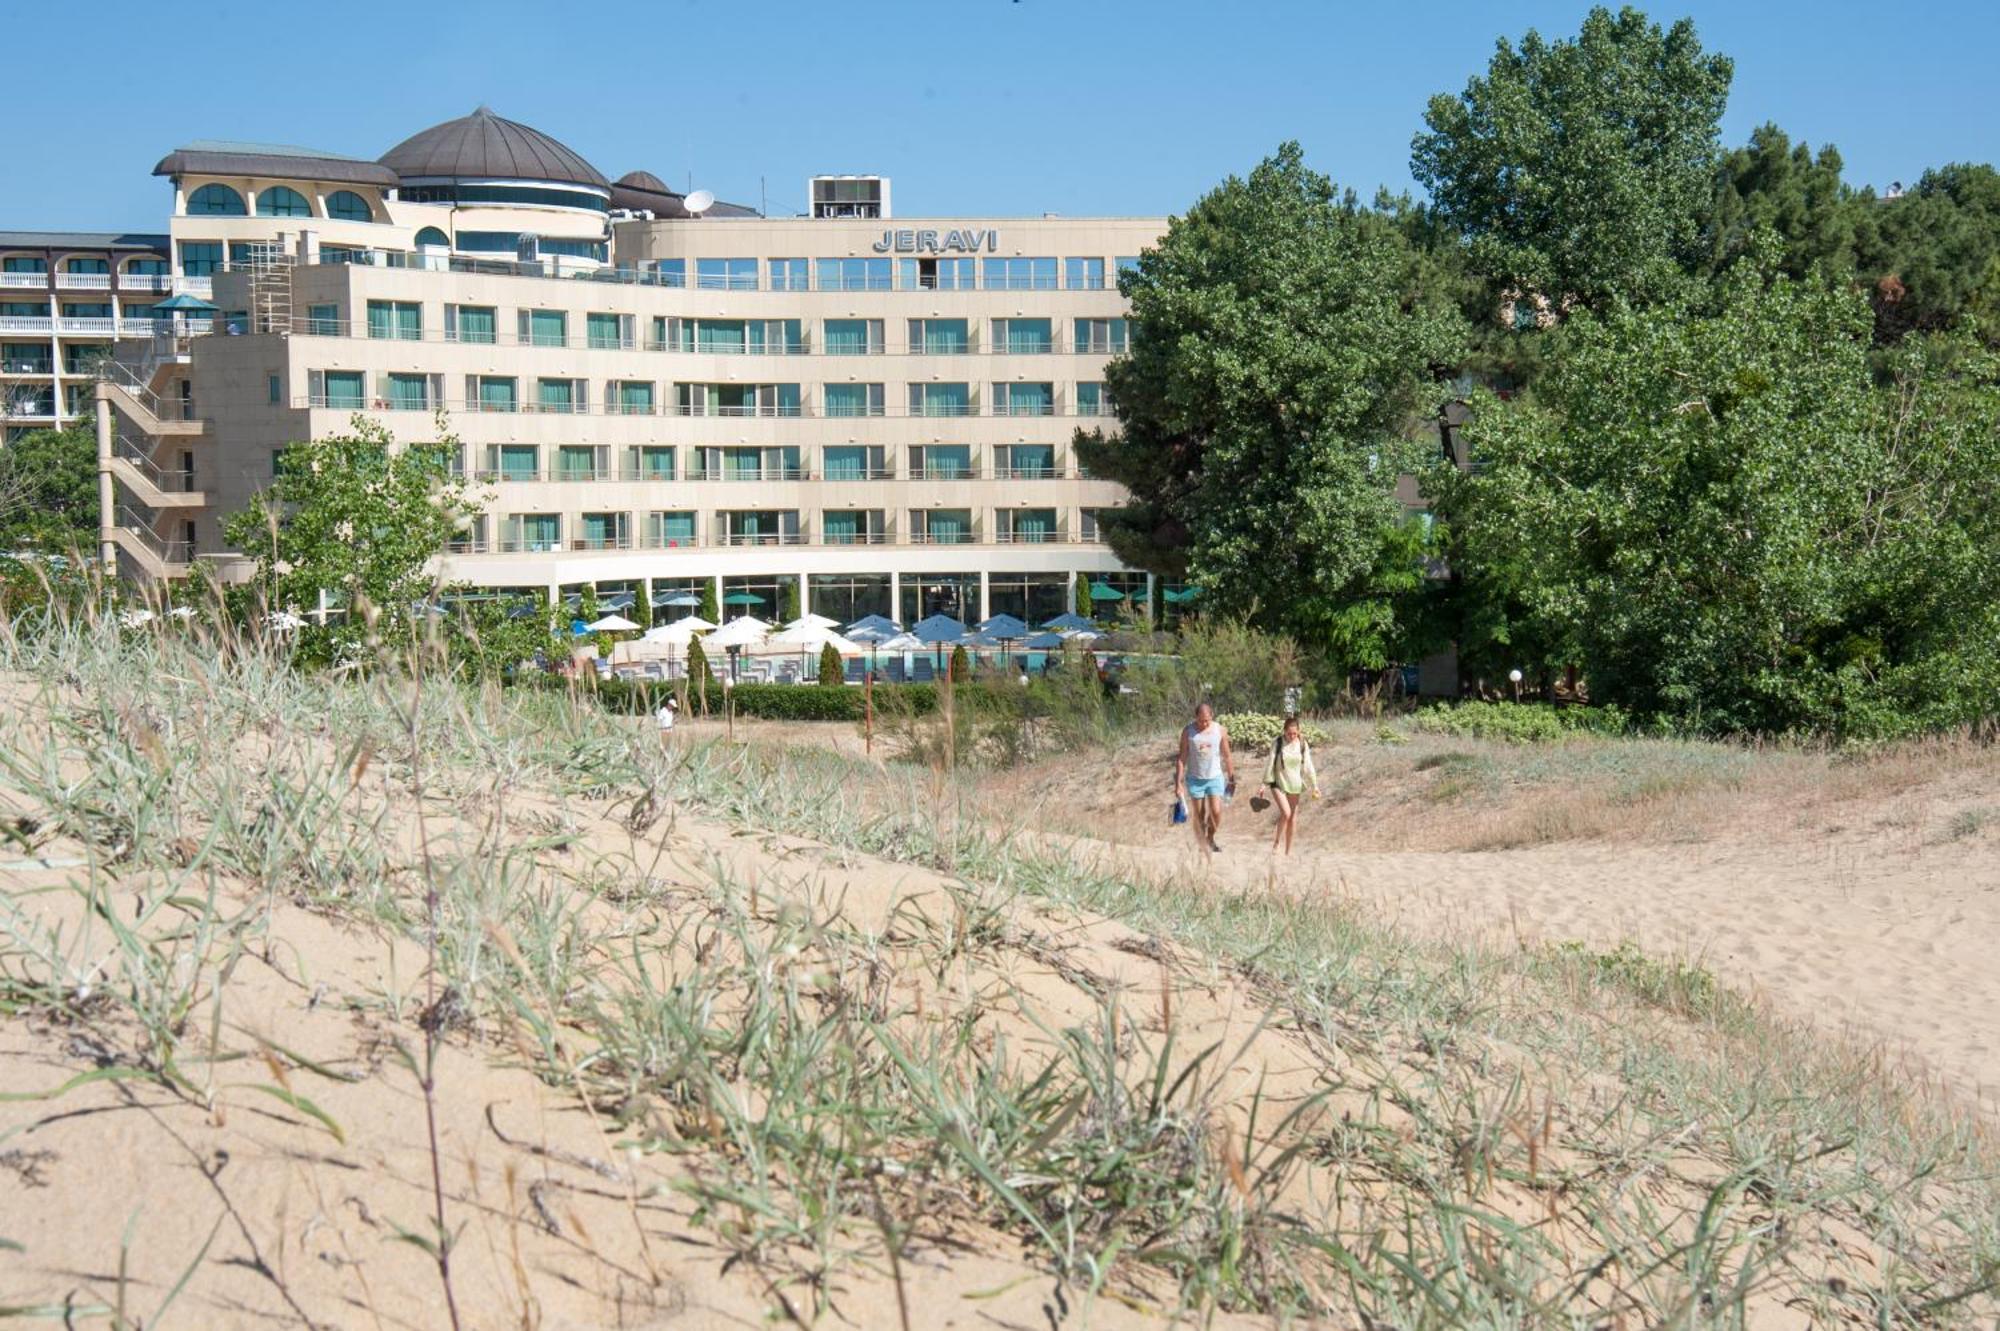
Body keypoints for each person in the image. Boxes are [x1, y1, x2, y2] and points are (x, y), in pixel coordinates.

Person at [1175, 702, 1236, 853]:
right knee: (1200, 814)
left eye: (1207, 720)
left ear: (1212, 716)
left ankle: (1210, 838)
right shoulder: (1188, 732)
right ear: (1195, 717)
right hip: (1195, 779)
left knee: (1216, 812)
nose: (1204, 723)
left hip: (1215, 777)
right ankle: (1203, 843)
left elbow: (1227, 756)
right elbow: (1182, 758)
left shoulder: (1219, 730)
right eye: (1201, 720)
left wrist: (1231, 777)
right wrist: (1178, 782)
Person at [1263, 715, 1319, 856]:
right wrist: (1264, 784)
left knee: (1293, 818)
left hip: (1295, 783)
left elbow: (1308, 765)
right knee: (1286, 813)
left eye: (1295, 733)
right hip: (1278, 782)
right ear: (1284, 731)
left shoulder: (1302, 743)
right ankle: (1276, 842)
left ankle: (1288, 852)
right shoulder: (1277, 743)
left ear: (1299, 731)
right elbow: (1270, 763)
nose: (1292, 736)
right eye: (1289, 733)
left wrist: (1315, 785)